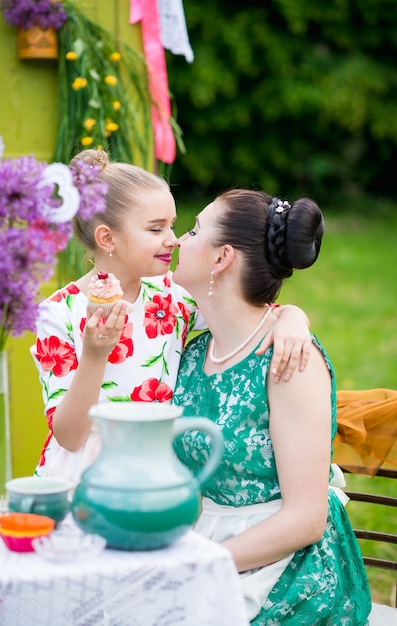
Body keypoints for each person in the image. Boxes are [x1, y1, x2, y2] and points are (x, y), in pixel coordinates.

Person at [31, 150, 312, 486]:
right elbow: (68, 437)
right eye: (155, 229)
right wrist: (94, 354)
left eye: (173, 225)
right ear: (108, 238)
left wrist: (293, 317)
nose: (173, 240)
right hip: (86, 477)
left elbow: (245, 316)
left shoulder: (172, 295)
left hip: (157, 470)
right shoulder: (59, 313)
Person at [172, 190, 372, 624]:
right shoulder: (192, 351)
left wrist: (197, 565)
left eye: (193, 230)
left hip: (285, 568)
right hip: (200, 544)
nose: (176, 241)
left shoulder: (290, 361)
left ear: (222, 257)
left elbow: (305, 520)